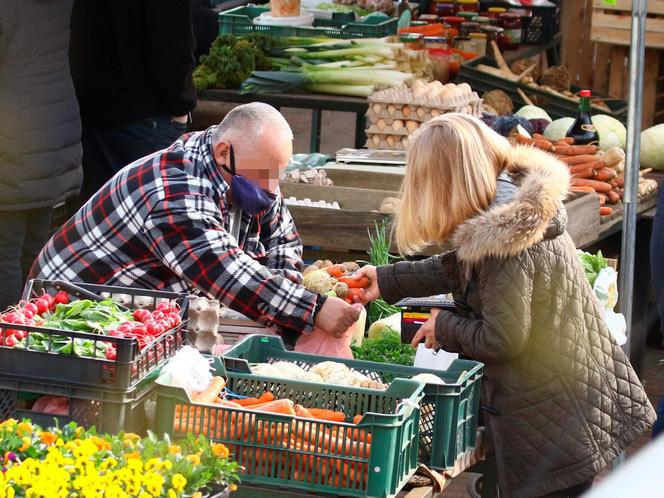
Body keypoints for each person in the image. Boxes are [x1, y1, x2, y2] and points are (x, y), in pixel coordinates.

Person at [354, 114, 655, 498]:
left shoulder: (505, 243)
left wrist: (441, 327)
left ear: (444, 184)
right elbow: (461, 266)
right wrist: (386, 280)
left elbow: (503, 337)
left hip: (552, 423)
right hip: (567, 406)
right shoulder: (510, 204)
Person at [29, 103, 359, 344]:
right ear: (222, 152)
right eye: (265, 175)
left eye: (279, 173)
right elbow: (223, 268)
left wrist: (283, 314)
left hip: (142, 309)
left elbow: (282, 237)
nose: (272, 187)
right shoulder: (173, 192)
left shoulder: (247, 166)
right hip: (69, 315)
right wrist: (311, 309)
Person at [68, 0, 197, 201]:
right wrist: (181, 104)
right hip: (143, 119)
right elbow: (174, 43)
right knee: (151, 221)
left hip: (89, 115)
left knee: (96, 222)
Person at [0, 0, 83, 310]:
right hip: (53, 129)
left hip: (12, 137)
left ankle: (8, 341)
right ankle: (31, 335)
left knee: (5, 253)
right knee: (34, 246)